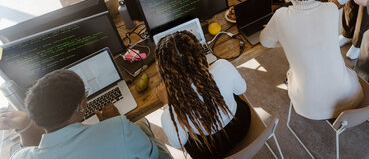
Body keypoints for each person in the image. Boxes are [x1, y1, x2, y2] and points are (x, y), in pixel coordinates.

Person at [260, 0, 364, 120]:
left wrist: (284, 36)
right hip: (350, 95)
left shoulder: (281, 16)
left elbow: (265, 42)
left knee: (291, 72)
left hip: (310, 107)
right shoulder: (330, 9)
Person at [0, 69, 171, 159]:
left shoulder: (22, 156)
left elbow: (20, 153)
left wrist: (25, 126)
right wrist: (117, 123)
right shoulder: (120, 129)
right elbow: (154, 156)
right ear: (82, 104)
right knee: (140, 125)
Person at [155, 30, 250, 159]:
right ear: (200, 52)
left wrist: (167, 105)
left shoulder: (173, 107)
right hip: (241, 126)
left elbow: (178, 142)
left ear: (165, 70)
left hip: (210, 152)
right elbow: (241, 89)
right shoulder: (222, 66)